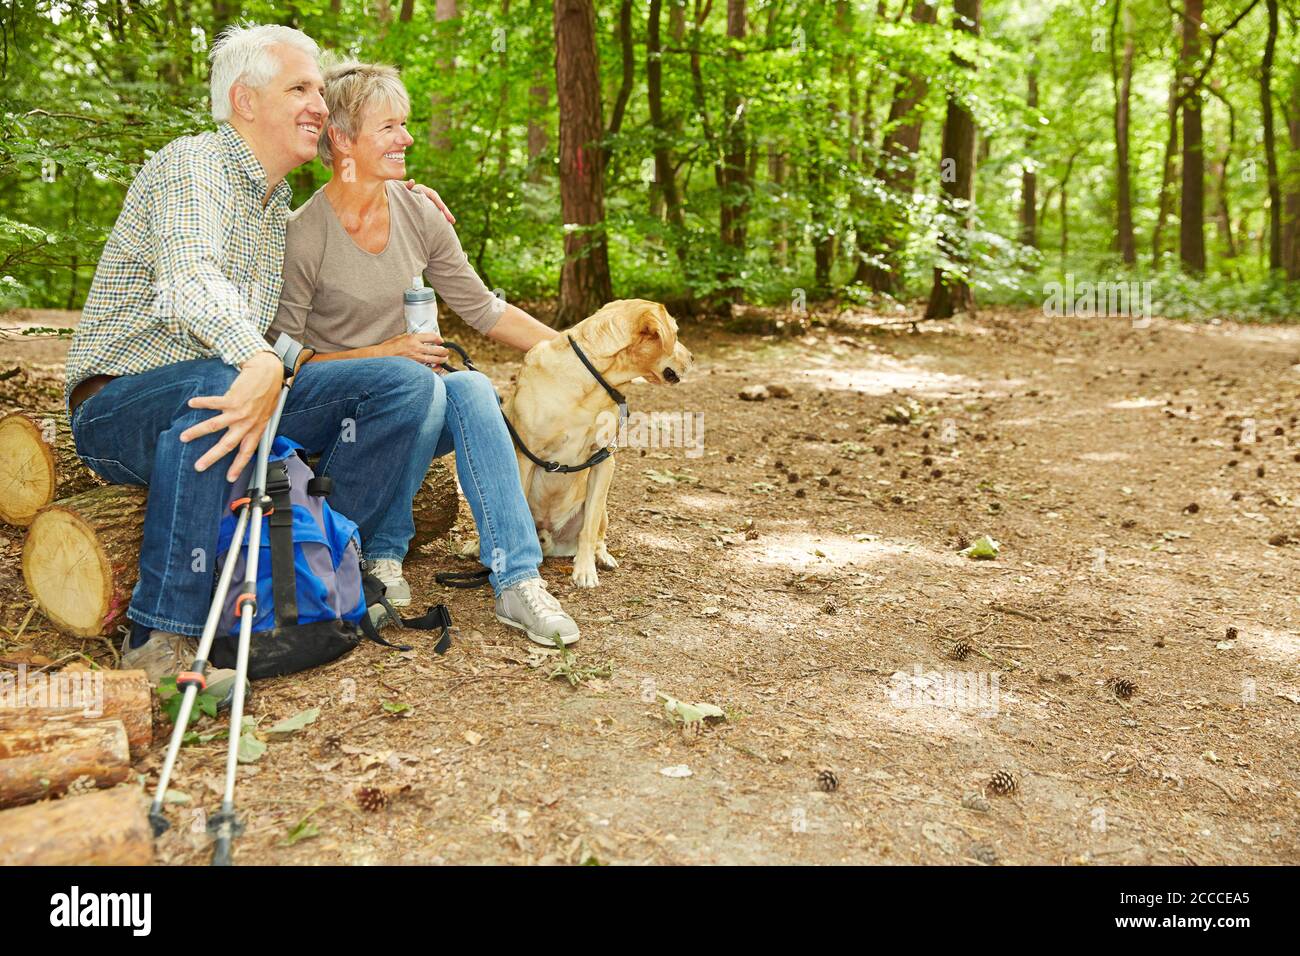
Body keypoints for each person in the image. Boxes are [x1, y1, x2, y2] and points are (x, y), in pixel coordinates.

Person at [65, 25, 460, 684]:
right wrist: (259, 360)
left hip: (242, 384)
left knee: (403, 387)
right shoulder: (193, 165)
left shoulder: (279, 211)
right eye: (300, 87)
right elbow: (190, 279)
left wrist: (406, 199)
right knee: (226, 378)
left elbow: (310, 298)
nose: (320, 103)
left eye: (320, 89)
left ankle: (318, 569)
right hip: (118, 407)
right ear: (245, 101)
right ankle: (164, 636)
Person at [269, 61, 580, 647]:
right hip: (340, 428)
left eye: (404, 125)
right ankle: (381, 547)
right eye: (388, 127)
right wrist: (382, 352)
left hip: (421, 402)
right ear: (341, 139)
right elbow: (284, 359)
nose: (406, 139)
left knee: (470, 388)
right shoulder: (303, 233)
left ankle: (516, 578)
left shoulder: (420, 213)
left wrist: (576, 355)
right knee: (419, 383)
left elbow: (485, 310)